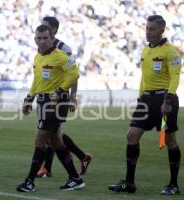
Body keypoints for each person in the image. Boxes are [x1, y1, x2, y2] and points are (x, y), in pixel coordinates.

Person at [108, 15, 181, 195]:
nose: (148, 32)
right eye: (147, 28)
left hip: (164, 100)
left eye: (152, 29)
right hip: (146, 101)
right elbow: (144, 78)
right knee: (132, 135)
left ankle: (173, 184)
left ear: (161, 30)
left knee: (169, 140)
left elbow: (175, 76)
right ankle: (130, 183)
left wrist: (168, 101)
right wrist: (140, 99)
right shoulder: (145, 51)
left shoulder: (171, 51)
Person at [16, 25, 84, 192]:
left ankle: (30, 181)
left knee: (40, 139)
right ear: (35, 39)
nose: (42, 41)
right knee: (56, 141)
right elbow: (36, 81)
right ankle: (75, 178)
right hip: (42, 102)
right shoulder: (37, 57)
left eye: (45, 38)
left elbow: (74, 74)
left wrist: (61, 91)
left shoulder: (61, 56)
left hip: (56, 103)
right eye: (38, 38)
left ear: (52, 38)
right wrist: (28, 99)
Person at [36, 16, 92, 178]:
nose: (42, 31)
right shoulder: (42, 47)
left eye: (45, 27)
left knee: (48, 131)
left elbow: (73, 73)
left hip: (58, 96)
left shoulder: (64, 49)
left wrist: (72, 97)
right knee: (53, 133)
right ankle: (82, 157)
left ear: (53, 29)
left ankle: (47, 168)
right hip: (45, 96)